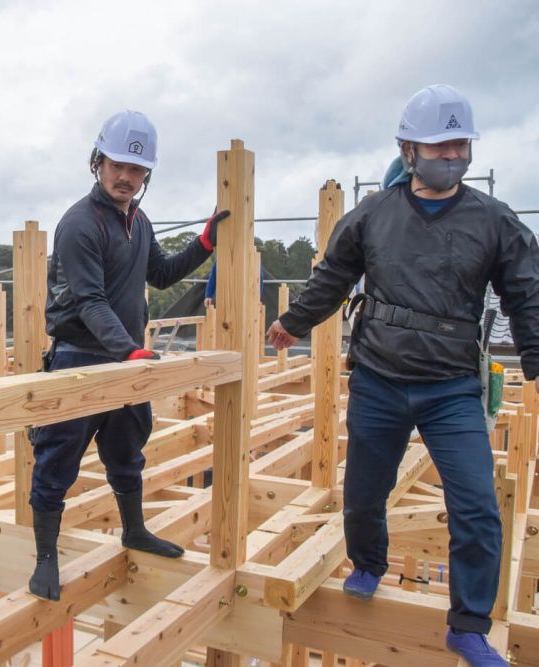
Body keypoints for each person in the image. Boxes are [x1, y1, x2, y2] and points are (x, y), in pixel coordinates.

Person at [267, 84, 539, 667]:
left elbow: (526, 293)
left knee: (476, 506)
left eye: (459, 145)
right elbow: (332, 278)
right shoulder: (373, 216)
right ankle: (368, 563)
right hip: (380, 380)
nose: (452, 156)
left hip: (451, 389)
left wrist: (536, 358)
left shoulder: (494, 221)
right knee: (365, 493)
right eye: (440, 146)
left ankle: (468, 625)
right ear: (409, 150)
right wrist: (291, 323)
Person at [28, 109, 229, 601]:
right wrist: (130, 350)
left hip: (124, 358)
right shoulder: (79, 224)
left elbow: (159, 274)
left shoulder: (138, 222)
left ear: (146, 176)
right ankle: (45, 559)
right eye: (118, 165)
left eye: (136, 170)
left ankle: (134, 529)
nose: (126, 177)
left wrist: (203, 242)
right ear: (98, 162)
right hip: (80, 359)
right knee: (57, 459)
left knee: (127, 453)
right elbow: (90, 300)